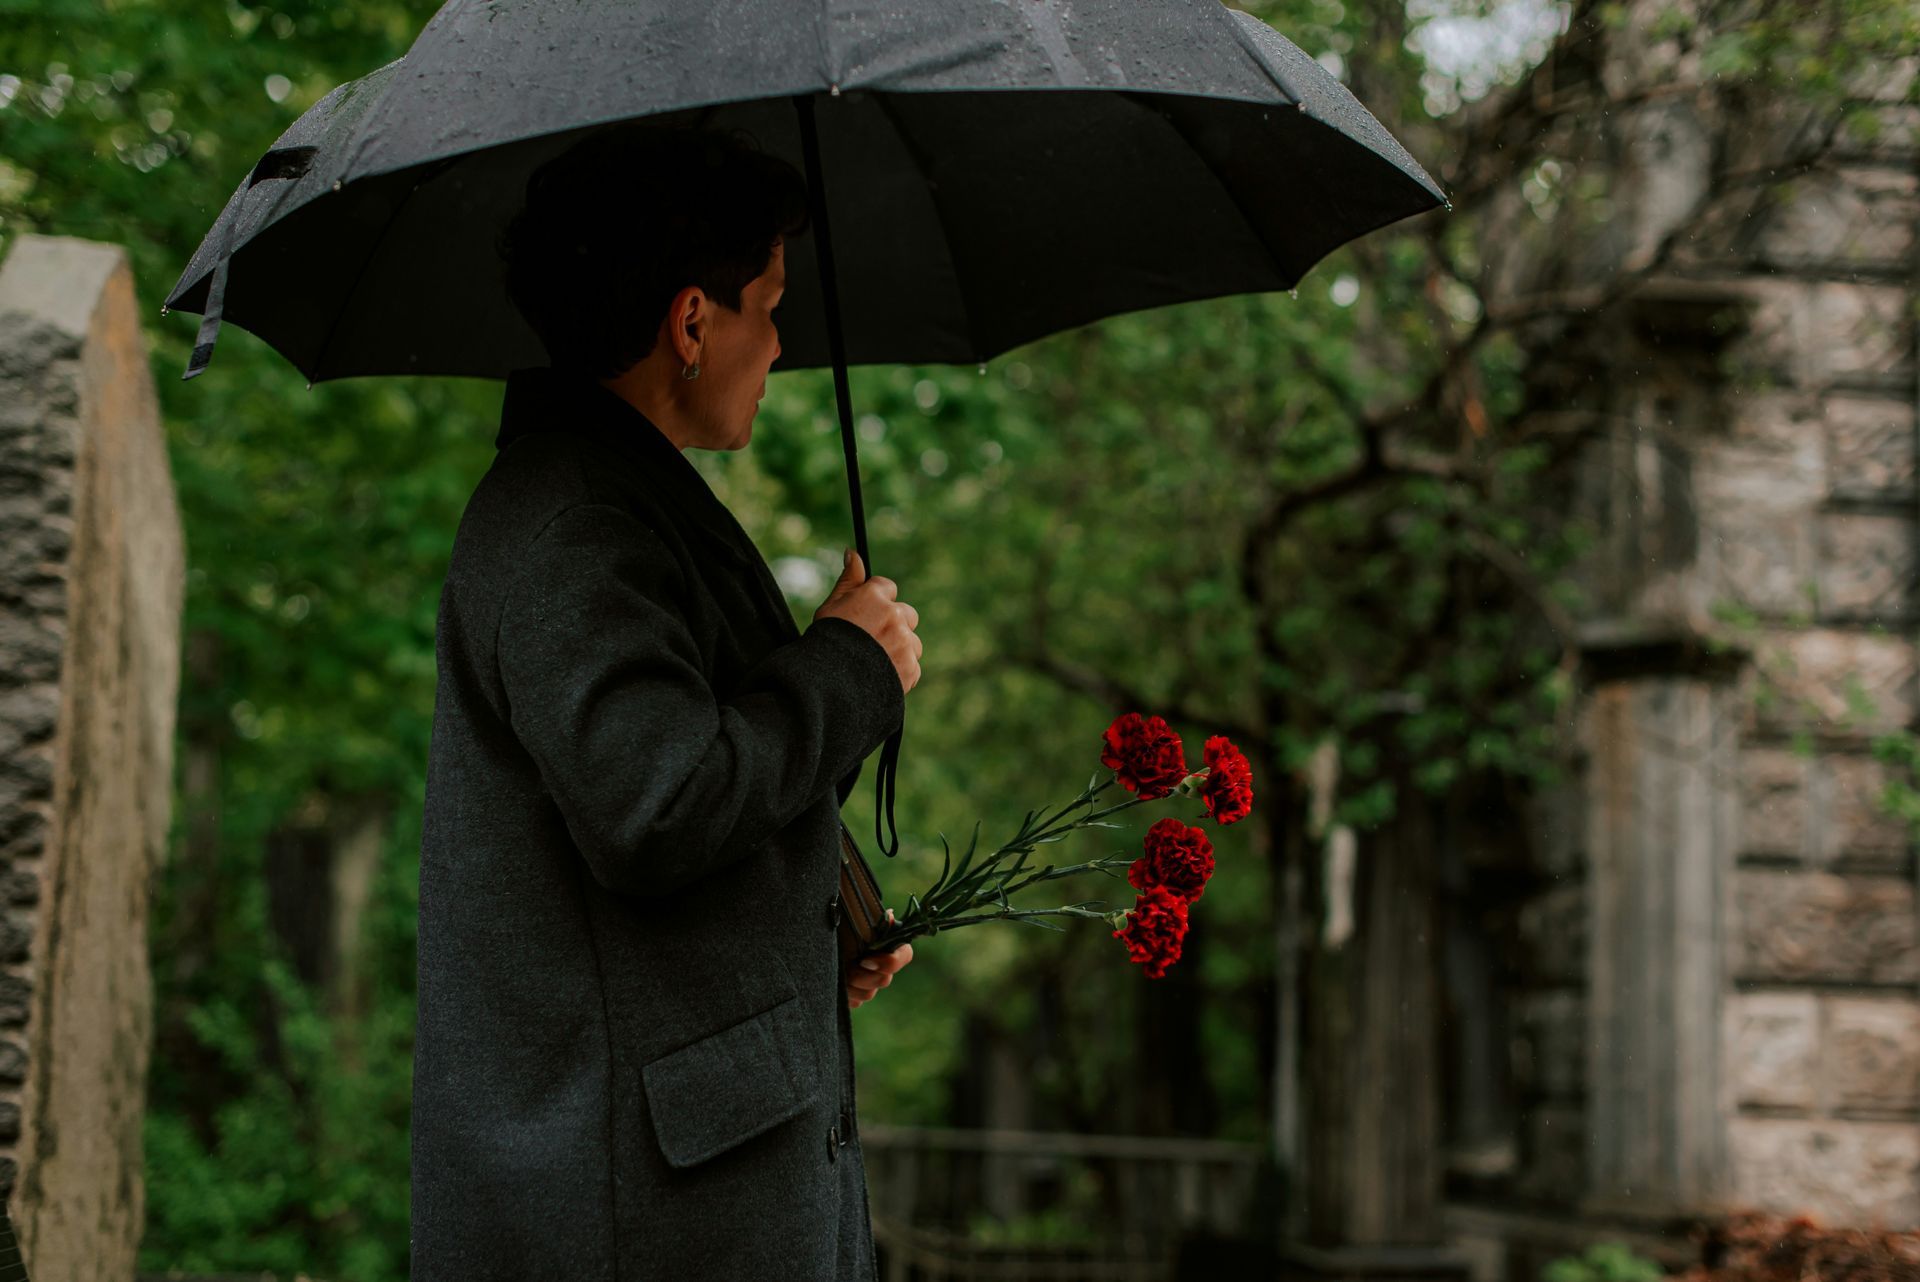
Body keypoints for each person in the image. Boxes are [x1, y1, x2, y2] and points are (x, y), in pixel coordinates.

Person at [411, 122, 919, 1282]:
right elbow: (657, 802)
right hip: (639, 1217)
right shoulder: (575, 523)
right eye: (771, 306)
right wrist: (850, 665)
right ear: (693, 321)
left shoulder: (618, 496)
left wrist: (813, 919)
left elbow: (659, 797)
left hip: (689, 1188)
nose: (782, 346)